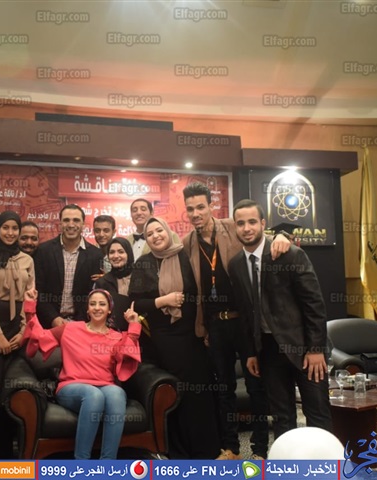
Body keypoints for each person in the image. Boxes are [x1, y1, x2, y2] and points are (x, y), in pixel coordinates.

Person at [181, 181, 291, 460]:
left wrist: (283, 235)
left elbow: (264, 233)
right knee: (224, 389)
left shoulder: (233, 226)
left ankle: (260, 450)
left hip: (245, 321)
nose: (195, 213)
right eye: (190, 209)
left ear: (211, 206)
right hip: (216, 326)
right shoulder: (188, 242)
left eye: (200, 207)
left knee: (256, 387)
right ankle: (230, 447)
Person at [228, 199, 332, 442]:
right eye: (241, 223)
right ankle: (288, 462)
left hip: (304, 347)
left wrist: (315, 349)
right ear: (235, 227)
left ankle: (325, 463)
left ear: (263, 224)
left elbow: (314, 304)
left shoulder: (289, 254)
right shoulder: (235, 265)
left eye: (252, 222)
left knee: (317, 414)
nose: (247, 228)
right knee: (282, 417)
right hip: (268, 351)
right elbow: (245, 314)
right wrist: (250, 353)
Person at [128, 217, 220, 459]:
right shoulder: (143, 264)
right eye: (150, 234)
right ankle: (178, 451)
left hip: (193, 334)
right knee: (176, 391)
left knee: (199, 391)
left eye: (159, 230)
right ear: (146, 240)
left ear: (168, 231)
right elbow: (135, 303)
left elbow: (202, 292)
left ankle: (207, 450)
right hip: (164, 339)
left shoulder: (185, 256)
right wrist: (164, 301)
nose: (156, 236)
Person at [20, 289, 142, 459]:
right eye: (92, 304)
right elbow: (39, 335)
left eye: (102, 304)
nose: (97, 308)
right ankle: (81, 463)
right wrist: (30, 307)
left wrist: (134, 327)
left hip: (105, 385)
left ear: (109, 310)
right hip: (72, 386)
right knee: (94, 395)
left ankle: (108, 464)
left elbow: (126, 360)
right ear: (87, 309)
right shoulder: (70, 329)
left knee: (117, 393)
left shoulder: (116, 337)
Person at [0, 210, 35, 457]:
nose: (10, 233)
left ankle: (11, 450)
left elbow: (30, 297)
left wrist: (23, 331)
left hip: (18, 328)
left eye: (15, 228)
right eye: (6, 228)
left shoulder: (27, 259)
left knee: (13, 387)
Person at [34, 204, 104, 328]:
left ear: (83, 224)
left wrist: (77, 323)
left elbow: (93, 294)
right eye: (66, 220)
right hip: (48, 325)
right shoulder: (43, 251)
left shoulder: (96, 255)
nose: (71, 225)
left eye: (76, 220)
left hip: (82, 325)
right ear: (60, 224)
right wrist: (53, 318)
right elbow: (38, 291)